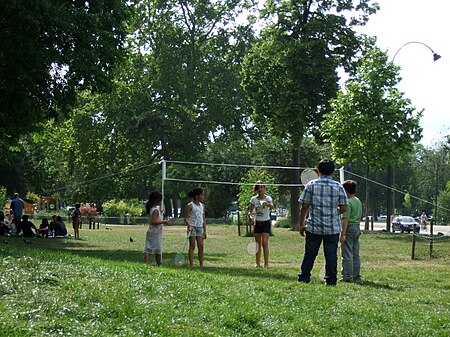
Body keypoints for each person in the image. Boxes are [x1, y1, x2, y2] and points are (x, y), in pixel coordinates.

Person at [297, 159, 348, 286]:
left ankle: (304, 277)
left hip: (314, 226)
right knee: (331, 255)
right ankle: (331, 280)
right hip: (332, 228)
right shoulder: (338, 186)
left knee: (310, 253)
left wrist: (301, 224)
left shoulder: (311, 185)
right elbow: (344, 207)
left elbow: (304, 206)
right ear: (332, 172)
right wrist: (335, 210)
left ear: (318, 171)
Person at [340, 180, 363, 283]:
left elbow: (345, 220)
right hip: (357, 227)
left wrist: (342, 234)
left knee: (347, 254)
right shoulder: (357, 200)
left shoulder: (348, 203)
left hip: (349, 228)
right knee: (355, 254)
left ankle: (348, 277)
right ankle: (356, 275)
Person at [249, 181, 274, 268]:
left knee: (265, 242)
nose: (260, 189)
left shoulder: (268, 198)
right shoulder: (253, 199)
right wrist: (251, 218)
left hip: (266, 222)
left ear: (264, 188)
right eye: (258, 188)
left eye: (262, 187)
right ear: (256, 189)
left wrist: (268, 204)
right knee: (258, 244)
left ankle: (266, 264)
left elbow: (272, 205)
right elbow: (250, 211)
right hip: (257, 223)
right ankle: (257, 263)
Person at [143, 192, 170, 265]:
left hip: (151, 231)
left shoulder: (151, 208)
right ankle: (158, 264)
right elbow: (153, 221)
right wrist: (164, 221)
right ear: (156, 201)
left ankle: (147, 263)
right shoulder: (155, 210)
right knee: (158, 249)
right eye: (160, 200)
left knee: (148, 248)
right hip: (155, 232)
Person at [185, 188, 207, 267]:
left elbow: (203, 218)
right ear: (197, 196)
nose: (203, 197)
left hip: (199, 227)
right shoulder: (190, 205)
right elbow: (186, 218)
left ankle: (201, 264)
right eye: (202, 195)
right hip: (192, 228)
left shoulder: (202, 206)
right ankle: (191, 264)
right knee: (192, 245)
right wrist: (190, 225)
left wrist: (205, 230)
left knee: (201, 246)